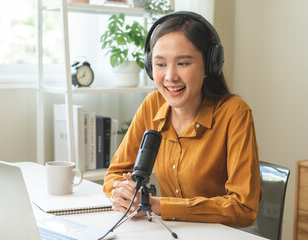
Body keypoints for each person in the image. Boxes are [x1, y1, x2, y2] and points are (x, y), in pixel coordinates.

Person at [103, 11, 261, 227]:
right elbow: (115, 174)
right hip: (172, 230)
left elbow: (244, 208)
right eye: (160, 64)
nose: (170, 76)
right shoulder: (152, 105)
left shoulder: (234, 113)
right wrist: (125, 194)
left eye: (183, 63)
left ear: (210, 65)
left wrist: (158, 206)